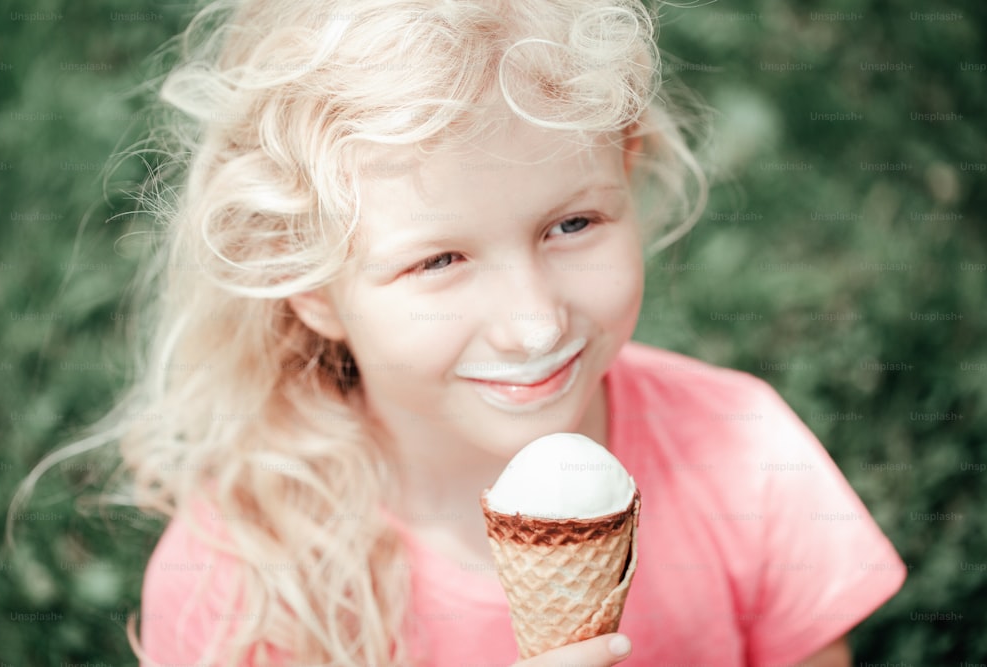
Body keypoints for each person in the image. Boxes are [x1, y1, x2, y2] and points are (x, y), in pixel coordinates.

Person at [91, 0, 907, 665]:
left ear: (628, 167)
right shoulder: (237, 583)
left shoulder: (746, 456)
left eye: (572, 223)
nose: (534, 323)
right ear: (310, 290)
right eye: (440, 258)